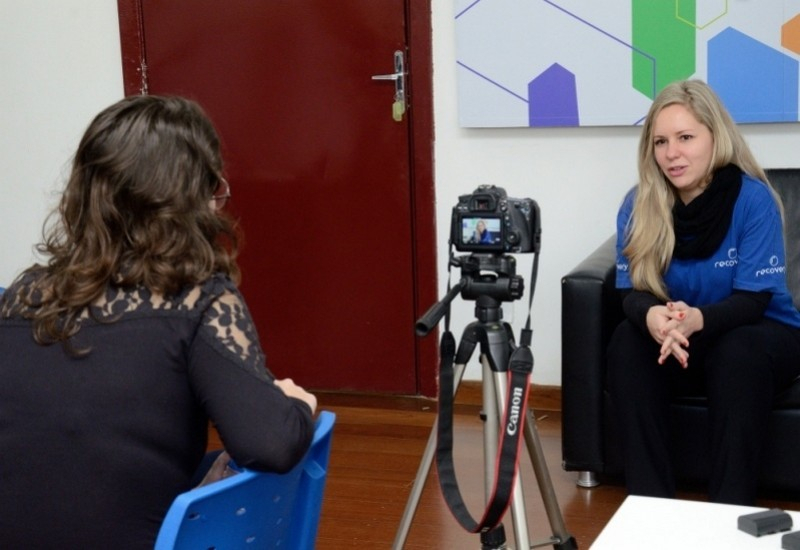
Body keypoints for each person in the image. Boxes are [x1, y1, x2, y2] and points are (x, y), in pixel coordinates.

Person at [0, 95, 318, 547]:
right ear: (193, 199)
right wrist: (297, 408)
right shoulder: (198, 299)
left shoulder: (22, 295)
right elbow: (271, 445)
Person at [606, 79, 800, 505]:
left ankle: (728, 513)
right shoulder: (640, 203)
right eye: (660, 141)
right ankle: (648, 506)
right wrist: (653, 318)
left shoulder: (754, 200)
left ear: (716, 137)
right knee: (626, 341)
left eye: (686, 137)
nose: (671, 153)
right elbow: (632, 291)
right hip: (681, 338)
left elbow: (754, 301)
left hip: (759, 332)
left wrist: (697, 320)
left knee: (738, 352)